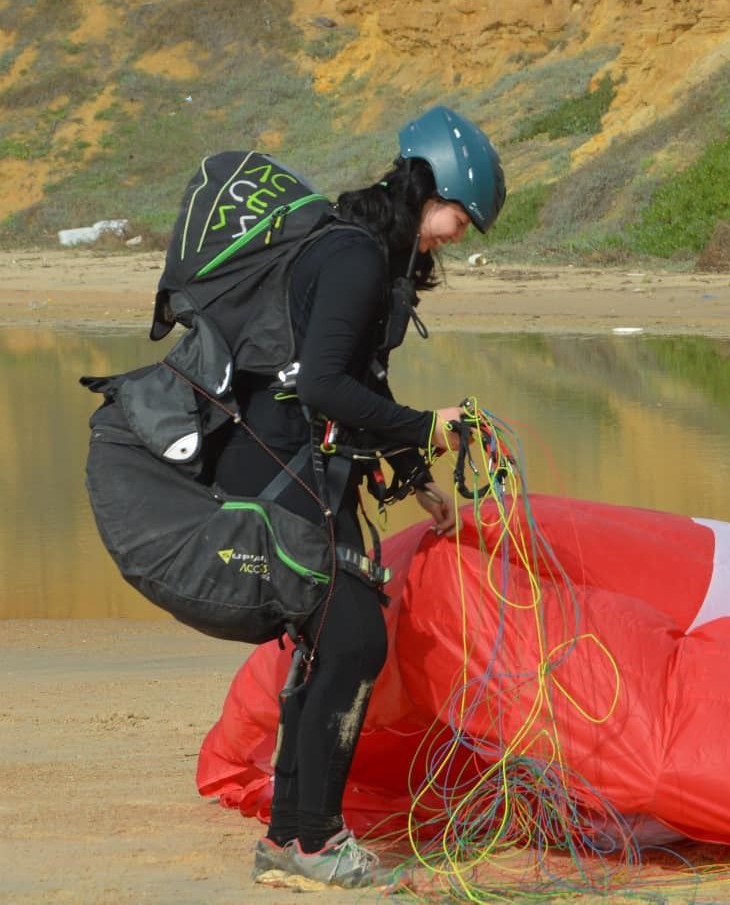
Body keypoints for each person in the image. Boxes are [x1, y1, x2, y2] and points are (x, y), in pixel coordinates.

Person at [213, 106, 506, 890]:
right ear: (430, 189)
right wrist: (429, 425)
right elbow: (322, 385)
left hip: (297, 472)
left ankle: (288, 839)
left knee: (332, 644)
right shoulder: (354, 257)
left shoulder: (365, 252)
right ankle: (315, 842)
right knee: (352, 642)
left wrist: (414, 475)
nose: (456, 236)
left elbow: (359, 385)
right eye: (458, 218)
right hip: (283, 475)